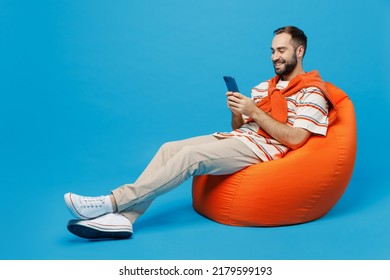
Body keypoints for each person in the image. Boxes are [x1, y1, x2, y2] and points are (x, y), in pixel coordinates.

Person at [64, 26, 332, 239]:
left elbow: (297, 139)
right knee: (169, 148)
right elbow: (240, 129)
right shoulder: (265, 87)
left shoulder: (313, 92)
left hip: (263, 149)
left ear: (299, 51)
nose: (275, 56)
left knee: (191, 157)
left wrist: (256, 111)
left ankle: (111, 202)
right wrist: (238, 111)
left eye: (281, 50)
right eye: (272, 50)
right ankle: (125, 220)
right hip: (240, 139)